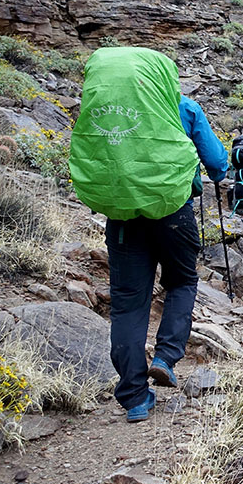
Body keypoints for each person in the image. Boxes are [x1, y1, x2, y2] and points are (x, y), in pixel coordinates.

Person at [68, 47, 228, 423]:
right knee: (183, 281)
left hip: (123, 217)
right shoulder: (182, 107)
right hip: (174, 211)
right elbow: (218, 162)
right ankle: (166, 356)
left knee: (127, 302)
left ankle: (135, 397)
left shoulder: (102, 111)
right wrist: (214, 175)